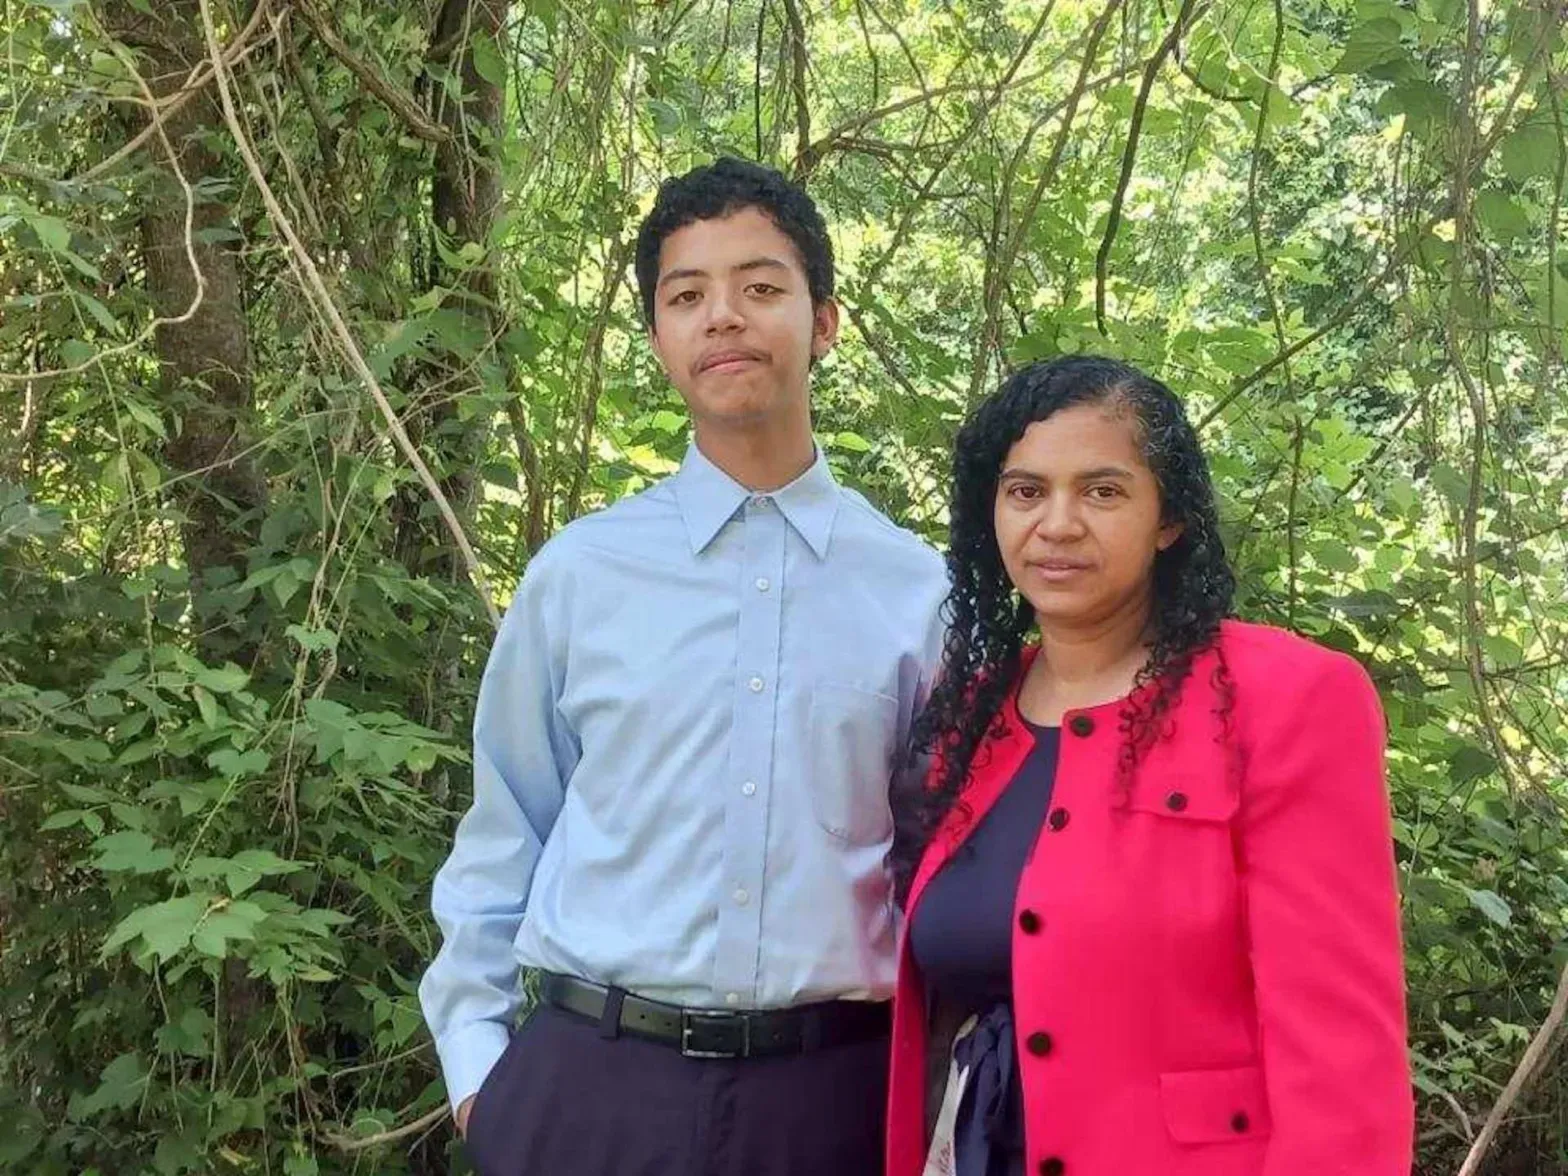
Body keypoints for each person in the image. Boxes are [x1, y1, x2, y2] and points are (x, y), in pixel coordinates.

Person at [418, 157, 947, 1176]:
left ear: (823, 322)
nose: (723, 317)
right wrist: (481, 1078)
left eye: (760, 287)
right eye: (687, 295)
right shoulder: (581, 574)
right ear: (658, 336)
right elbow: (505, 826)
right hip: (586, 1090)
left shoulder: (916, 590)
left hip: (832, 1099)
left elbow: (935, 861)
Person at [885, 355, 1412, 1176]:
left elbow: (1342, 1055)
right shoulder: (972, 716)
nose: (1057, 524)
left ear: (1169, 519)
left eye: (1102, 491)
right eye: (1025, 491)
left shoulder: (1285, 699)